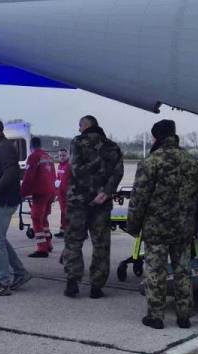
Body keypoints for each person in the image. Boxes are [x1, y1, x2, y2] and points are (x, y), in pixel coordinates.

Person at [127, 119, 198, 330]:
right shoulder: (191, 161)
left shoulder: (150, 162)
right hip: (184, 228)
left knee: (155, 271)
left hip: (157, 229)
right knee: (183, 271)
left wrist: (133, 226)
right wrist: (196, 225)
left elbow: (139, 198)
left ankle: (156, 316)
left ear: (156, 137)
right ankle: (184, 316)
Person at [62, 115, 124, 299]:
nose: (78, 129)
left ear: (86, 125)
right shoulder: (112, 146)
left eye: (80, 125)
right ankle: (97, 286)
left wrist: (88, 187)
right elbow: (118, 172)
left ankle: (73, 282)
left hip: (78, 201)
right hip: (102, 203)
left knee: (74, 240)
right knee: (101, 243)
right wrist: (105, 191)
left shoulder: (78, 142)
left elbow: (75, 169)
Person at [0, 118, 33, 297]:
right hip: (0, 200)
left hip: (3, 201)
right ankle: (21, 273)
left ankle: (3, 282)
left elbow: (11, 173)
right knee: (0, 239)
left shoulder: (5, 147)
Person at [21, 136, 57, 257]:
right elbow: (53, 175)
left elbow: (28, 176)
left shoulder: (33, 157)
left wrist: (22, 193)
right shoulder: (48, 157)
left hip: (40, 192)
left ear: (31, 146)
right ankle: (48, 244)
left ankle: (42, 249)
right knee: (43, 218)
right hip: (50, 191)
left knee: (36, 218)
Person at [54, 148, 71, 237]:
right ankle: (63, 230)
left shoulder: (70, 166)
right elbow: (58, 178)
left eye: (64, 155)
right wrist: (56, 192)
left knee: (68, 213)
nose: (62, 157)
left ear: (68, 155)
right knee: (63, 213)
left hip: (68, 194)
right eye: (60, 155)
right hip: (61, 194)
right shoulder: (60, 166)